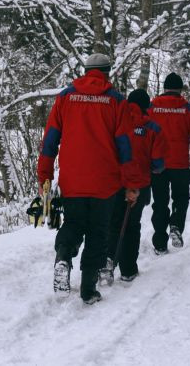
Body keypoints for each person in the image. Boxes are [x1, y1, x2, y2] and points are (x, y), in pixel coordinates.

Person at [37, 53, 143, 304]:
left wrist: (45, 176)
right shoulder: (116, 101)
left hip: (72, 180)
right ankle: (87, 289)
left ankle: (63, 256)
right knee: (98, 232)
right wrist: (131, 184)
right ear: (107, 73)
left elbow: (50, 139)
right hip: (105, 182)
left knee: (73, 224)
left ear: (86, 71)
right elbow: (126, 147)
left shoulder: (65, 97)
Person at [101, 88, 167, 284]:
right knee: (131, 225)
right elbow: (158, 162)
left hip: (113, 182)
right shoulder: (153, 128)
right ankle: (128, 269)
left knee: (113, 224)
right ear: (146, 107)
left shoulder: (113, 122)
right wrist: (155, 169)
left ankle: (108, 261)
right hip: (139, 183)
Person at [148, 73, 190, 254]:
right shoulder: (188, 109)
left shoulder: (152, 107)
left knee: (160, 203)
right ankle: (176, 225)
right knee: (181, 199)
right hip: (180, 165)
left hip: (157, 166)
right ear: (180, 90)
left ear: (165, 88)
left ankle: (160, 243)